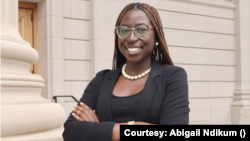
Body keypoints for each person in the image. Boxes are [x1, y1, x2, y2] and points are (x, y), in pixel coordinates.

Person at [62, 2, 189, 141]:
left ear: (157, 37)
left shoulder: (172, 76)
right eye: (124, 30)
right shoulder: (101, 79)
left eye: (141, 30)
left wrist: (100, 128)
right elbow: (70, 131)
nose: (131, 38)